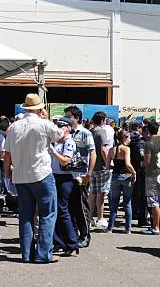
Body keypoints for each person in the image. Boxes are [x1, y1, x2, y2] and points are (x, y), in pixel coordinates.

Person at [3, 93, 64, 263]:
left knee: (26, 216)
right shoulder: (44, 124)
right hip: (42, 174)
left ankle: (27, 254)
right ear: (39, 109)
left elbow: (6, 153)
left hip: (21, 176)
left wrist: (7, 172)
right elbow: (61, 136)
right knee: (48, 214)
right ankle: (44, 254)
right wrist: (48, 118)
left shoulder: (14, 127)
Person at [64, 106, 96, 248]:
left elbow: (93, 153)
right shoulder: (68, 133)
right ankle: (73, 234)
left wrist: (88, 174)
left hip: (81, 175)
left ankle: (85, 235)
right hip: (68, 174)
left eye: (69, 116)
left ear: (76, 118)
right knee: (70, 207)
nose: (67, 119)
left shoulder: (85, 133)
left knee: (81, 207)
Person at [50, 116, 80, 256]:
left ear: (67, 128)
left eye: (61, 126)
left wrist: (54, 152)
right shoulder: (56, 141)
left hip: (65, 178)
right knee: (53, 210)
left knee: (62, 210)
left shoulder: (69, 142)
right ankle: (58, 242)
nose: (58, 128)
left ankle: (72, 242)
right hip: (54, 176)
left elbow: (65, 161)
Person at [105, 130, 136, 233]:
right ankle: (128, 228)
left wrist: (115, 166)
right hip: (126, 176)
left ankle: (110, 227)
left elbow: (107, 165)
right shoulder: (126, 149)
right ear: (124, 138)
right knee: (127, 203)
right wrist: (134, 172)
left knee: (114, 203)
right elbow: (127, 164)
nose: (130, 140)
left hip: (115, 176)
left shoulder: (111, 150)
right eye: (128, 138)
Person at [143, 120, 160, 235]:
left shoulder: (149, 143)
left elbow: (147, 161)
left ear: (148, 130)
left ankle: (155, 227)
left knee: (154, 202)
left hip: (152, 174)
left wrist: (141, 164)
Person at [88, 111, 112, 229]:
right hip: (101, 166)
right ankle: (100, 218)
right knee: (101, 193)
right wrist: (108, 164)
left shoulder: (91, 131)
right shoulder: (101, 131)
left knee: (92, 192)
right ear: (103, 120)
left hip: (92, 166)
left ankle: (90, 217)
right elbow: (103, 149)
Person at [129, 119, 148, 228]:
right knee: (141, 194)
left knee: (133, 193)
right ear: (138, 128)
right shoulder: (140, 141)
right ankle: (141, 216)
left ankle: (134, 212)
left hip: (129, 167)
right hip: (139, 169)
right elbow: (141, 157)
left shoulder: (127, 137)